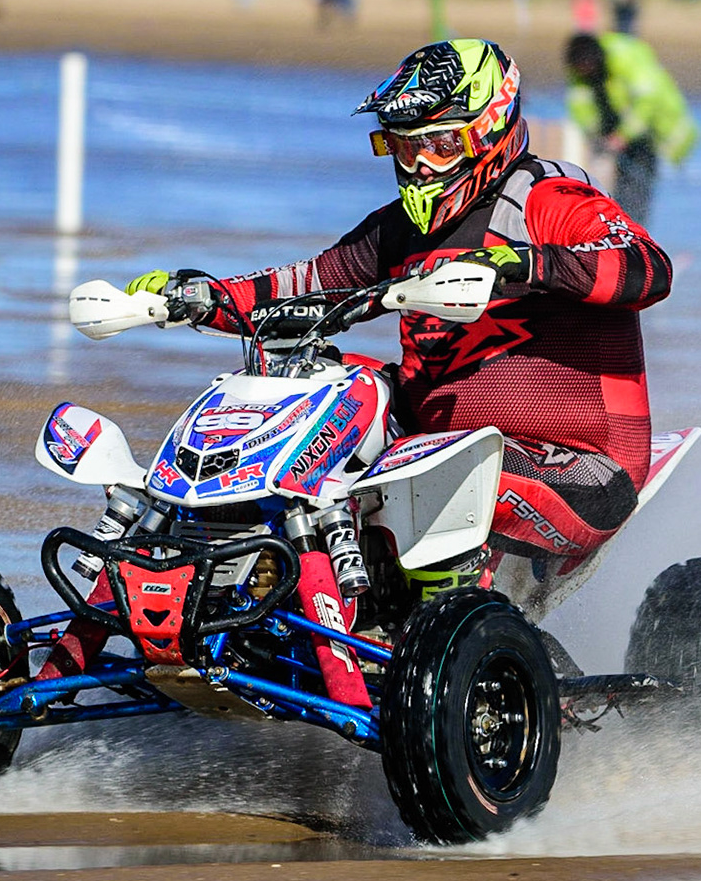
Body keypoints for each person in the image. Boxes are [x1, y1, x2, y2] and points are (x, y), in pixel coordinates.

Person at [125, 38, 672, 600]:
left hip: (581, 466)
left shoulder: (552, 199)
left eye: (436, 145)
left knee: (431, 467)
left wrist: (522, 263)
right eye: (403, 149)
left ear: (489, 129)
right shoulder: (397, 229)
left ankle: (438, 621)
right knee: (315, 388)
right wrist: (195, 297)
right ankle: (227, 578)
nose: (418, 168)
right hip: (429, 442)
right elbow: (307, 284)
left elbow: (648, 268)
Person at [563, 31, 699, 228]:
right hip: (622, 137)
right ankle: (626, 232)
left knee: (640, 189)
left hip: (657, 132)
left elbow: (648, 101)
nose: (585, 71)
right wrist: (596, 137)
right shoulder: (580, 74)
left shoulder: (625, 57)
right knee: (623, 192)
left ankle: (638, 238)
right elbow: (580, 108)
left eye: (587, 67)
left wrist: (622, 137)